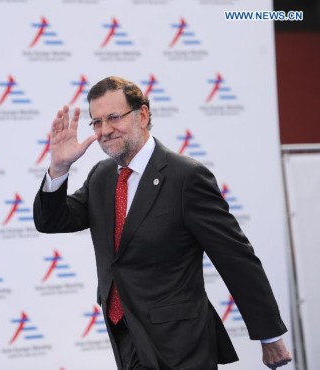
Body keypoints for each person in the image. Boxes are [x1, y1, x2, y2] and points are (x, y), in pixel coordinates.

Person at [33, 76, 292, 369]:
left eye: (114, 118)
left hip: (180, 343)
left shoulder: (186, 177)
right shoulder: (102, 176)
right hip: (125, 336)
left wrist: (269, 336)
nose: (104, 130)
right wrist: (59, 168)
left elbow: (236, 259)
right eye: (97, 122)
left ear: (142, 115)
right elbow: (52, 220)